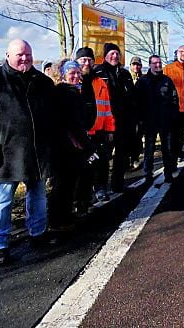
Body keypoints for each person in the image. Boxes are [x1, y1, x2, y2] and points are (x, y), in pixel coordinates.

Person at [0, 39, 56, 266]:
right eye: (20, 55)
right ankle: (0, 245)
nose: (25, 58)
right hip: (5, 155)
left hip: (37, 154)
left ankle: (38, 233)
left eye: (28, 54)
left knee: (37, 195)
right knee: (3, 199)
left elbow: (54, 119)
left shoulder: (43, 83)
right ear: (8, 55)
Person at [49, 60, 95, 231]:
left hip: (68, 145)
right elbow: (73, 123)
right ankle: (58, 220)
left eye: (77, 73)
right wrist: (86, 144)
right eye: (71, 73)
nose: (75, 76)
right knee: (63, 184)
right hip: (66, 147)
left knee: (67, 184)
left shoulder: (71, 92)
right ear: (63, 74)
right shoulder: (66, 93)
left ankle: (64, 217)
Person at [93, 43, 136, 193]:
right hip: (105, 123)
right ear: (105, 56)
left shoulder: (125, 74)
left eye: (117, 53)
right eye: (111, 53)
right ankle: (101, 187)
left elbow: (132, 98)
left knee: (122, 156)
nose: (115, 56)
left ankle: (118, 184)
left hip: (124, 122)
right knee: (103, 157)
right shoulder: (98, 72)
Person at [75, 46, 115, 204]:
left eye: (89, 60)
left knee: (101, 162)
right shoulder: (72, 79)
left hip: (98, 131)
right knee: (83, 167)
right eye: (83, 60)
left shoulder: (100, 82)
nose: (86, 63)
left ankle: (101, 188)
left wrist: (110, 129)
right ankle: (81, 199)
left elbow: (107, 108)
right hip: (78, 135)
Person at [136, 55, 179, 183]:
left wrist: (173, 116)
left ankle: (168, 173)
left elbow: (174, 99)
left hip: (165, 121)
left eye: (159, 63)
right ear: (149, 65)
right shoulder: (143, 82)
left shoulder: (167, 80)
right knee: (149, 149)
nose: (158, 65)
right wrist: (140, 120)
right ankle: (147, 174)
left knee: (167, 149)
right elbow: (137, 102)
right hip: (149, 121)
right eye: (155, 63)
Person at [129, 56, 144, 167]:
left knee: (138, 135)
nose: (136, 67)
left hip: (140, 112)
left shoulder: (143, 79)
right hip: (127, 112)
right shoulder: (126, 77)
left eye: (138, 65)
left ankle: (135, 158)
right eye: (134, 64)